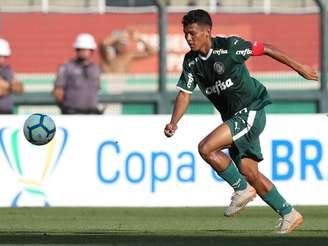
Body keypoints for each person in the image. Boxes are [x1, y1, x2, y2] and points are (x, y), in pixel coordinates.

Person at [164, 9, 318, 234]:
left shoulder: (230, 47)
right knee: (248, 170)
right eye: (185, 34)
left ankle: (241, 189)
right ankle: (288, 213)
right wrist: (174, 122)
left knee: (206, 148)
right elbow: (184, 94)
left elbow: (265, 48)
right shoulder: (191, 62)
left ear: (207, 32)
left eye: (192, 33)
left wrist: (300, 67)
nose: (188, 38)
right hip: (234, 118)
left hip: (251, 109)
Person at [53, 33, 102, 114]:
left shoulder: (96, 69)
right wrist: (64, 108)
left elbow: (97, 89)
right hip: (72, 112)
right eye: (80, 49)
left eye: (86, 49)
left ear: (92, 50)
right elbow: (58, 91)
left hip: (92, 113)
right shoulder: (66, 67)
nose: (83, 52)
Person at [0, 38, 24, 114]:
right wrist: (10, 87)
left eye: (5, 57)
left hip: (6, 112)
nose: (3, 60)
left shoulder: (6, 69)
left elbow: (20, 88)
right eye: (0, 56)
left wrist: (6, 86)